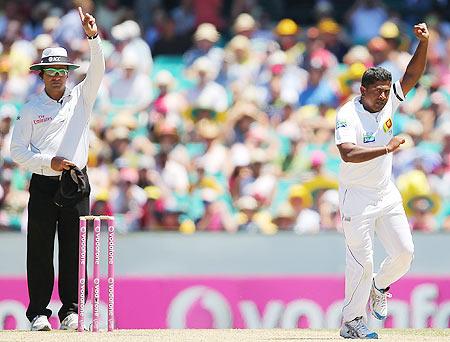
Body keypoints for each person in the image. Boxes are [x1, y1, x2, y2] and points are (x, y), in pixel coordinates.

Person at [10, 7, 104, 331]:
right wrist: (46, 162)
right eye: (50, 71)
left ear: (67, 71)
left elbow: (99, 71)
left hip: (75, 183)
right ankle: (38, 313)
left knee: (73, 251)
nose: (56, 75)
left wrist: (92, 37)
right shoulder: (30, 108)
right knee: (39, 249)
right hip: (43, 182)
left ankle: (71, 311)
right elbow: (16, 152)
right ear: (41, 74)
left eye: (61, 70)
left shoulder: (81, 98)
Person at [334, 23, 429, 339]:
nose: (384, 97)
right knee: (362, 261)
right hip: (356, 197)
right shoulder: (348, 114)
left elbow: (412, 77)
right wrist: (386, 148)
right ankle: (351, 322)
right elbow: (347, 152)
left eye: (387, 92)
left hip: (385, 192)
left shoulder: (389, 99)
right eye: (378, 92)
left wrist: (424, 43)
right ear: (362, 91)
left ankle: (380, 286)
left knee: (404, 253)